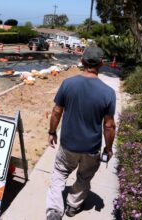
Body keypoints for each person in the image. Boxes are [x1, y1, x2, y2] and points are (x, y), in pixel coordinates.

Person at [46, 46, 116, 219]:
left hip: (68, 145)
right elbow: (109, 126)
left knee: (59, 173)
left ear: (82, 61)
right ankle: (72, 206)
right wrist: (108, 148)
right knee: (84, 178)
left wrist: (52, 131)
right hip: (91, 148)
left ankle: (54, 210)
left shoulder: (68, 84)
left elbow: (56, 112)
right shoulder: (108, 93)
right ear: (102, 63)